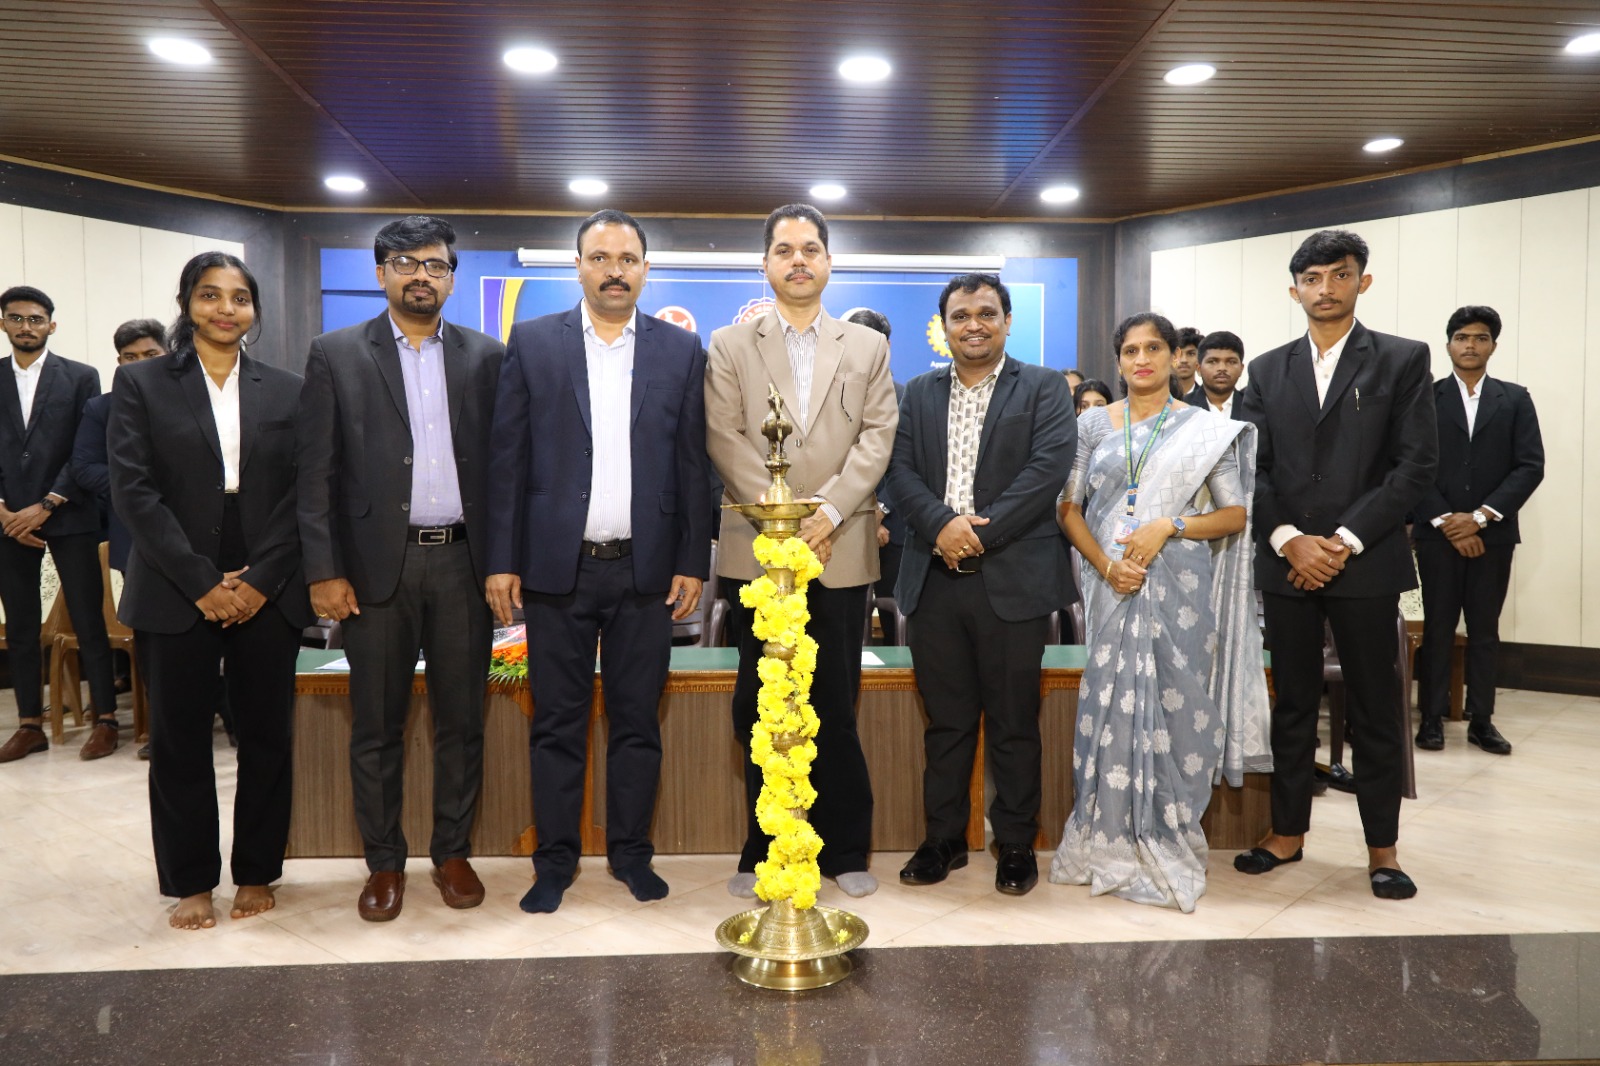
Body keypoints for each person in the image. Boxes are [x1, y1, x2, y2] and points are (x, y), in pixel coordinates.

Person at [486, 210, 709, 913]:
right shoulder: (532, 342)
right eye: (601, 257)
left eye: (628, 258)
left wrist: (692, 559)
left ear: (645, 269)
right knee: (557, 723)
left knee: (637, 723)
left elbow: (693, 463)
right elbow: (506, 459)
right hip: (557, 570)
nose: (615, 270)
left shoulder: (681, 350)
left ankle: (631, 855)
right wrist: (501, 560)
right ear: (578, 265)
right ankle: (554, 863)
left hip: (647, 573)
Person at [297, 216, 505, 921]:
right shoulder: (336, 354)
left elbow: (506, 470)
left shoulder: (487, 356)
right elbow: (315, 474)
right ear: (381, 272)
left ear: (452, 277)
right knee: (377, 726)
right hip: (373, 571)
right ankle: (384, 862)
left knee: (461, 723)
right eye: (407, 263)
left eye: (436, 265)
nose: (422, 275)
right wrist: (323, 570)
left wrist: (502, 563)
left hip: (463, 566)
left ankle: (452, 852)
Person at [108, 252, 311, 930]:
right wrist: (201, 582)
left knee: (266, 737)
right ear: (187, 303)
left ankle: (256, 870)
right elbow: (134, 492)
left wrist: (258, 581)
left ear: (254, 309)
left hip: (267, 580)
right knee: (179, 740)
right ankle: (191, 880)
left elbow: (303, 494)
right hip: (174, 579)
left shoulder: (288, 388)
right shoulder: (140, 382)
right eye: (210, 295)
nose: (226, 309)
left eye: (239, 297)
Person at [1234, 229, 1437, 901]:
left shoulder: (1402, 359)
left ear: (1362, 282)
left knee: (1375, 708)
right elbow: (1250, 469)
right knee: (1293, 703)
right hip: (1287, 563)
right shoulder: (1267, 369)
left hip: (1366, 561)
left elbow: (1415, 465)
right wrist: (1289, 538)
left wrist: (1343, 540)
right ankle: (1286, 833)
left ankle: (1383, 849)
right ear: (1294, 290)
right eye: (1313, 278)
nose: (1326, 288)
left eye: (1340, 275)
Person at [705, 203, 898, 899]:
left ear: (828, 262)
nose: (798, 260)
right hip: (761, 549)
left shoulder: (865, 347)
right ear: (765, 263)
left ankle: (845, 848)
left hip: (840, 544)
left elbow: (878, 435)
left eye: (810, 248)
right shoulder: (731, 344)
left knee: (835, 701)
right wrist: (784, 517)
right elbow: (724, 435)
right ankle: (763, 848)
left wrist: (832, 510)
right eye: (784, 249)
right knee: (759, 702)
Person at [1048, 312, 1266, 911]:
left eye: (1153, 349)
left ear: (1175, 357)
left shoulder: (1204, 430)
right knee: (1108, 707)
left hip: (1178, 588)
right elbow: (1068, 508)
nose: (1141, 360)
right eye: (1130, 350)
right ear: (1118, 360)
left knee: (1176, 710)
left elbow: (1235, 515)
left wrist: (1168, 525)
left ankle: (1166, 831)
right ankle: (1106, 836)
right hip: (1110, 586)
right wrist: (1105, 565)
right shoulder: (1092, 424)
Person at [887, 274, 1076, 896]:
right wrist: (941, 526)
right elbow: (899, 470)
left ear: (1007, 321)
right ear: (943, 325)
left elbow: (1047, 470)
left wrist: (974, 534)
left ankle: (1015, 842)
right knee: (946, 722)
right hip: (934, 578)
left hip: (1013, 578)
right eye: (961, 315)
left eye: (987, 313)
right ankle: (943, 839)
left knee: (1014, 720)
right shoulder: (917, 392)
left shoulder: (1043, 387)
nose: (974, 325)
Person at [1413, 306, 1543, 755]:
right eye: (1462, 337)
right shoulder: (1424, 398)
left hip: (1493, 536)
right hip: (1437, 534)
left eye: (1481, 338)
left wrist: (1481, 518)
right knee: (1438, 628)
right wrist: (1447, 521)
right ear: (1448, 344)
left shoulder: (1515, 399)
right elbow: (1410, 465)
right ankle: (1431, 718)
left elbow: (1530, 466)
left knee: (1485, 630)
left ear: (1493, 346)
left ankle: (1482, 720)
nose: (1471, 345)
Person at [0, 286, 120, 762]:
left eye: (35, 319)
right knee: (21, 625)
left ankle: (106, 719)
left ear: (51, 324)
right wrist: (4, 510)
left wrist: (47, 504)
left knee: (89, 620)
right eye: (16, 318)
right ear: (3, 324)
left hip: (70, 512)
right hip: (8, 521)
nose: (26, 326)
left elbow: (86, 448)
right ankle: (30, 724)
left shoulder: (81, 376)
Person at [72, 318, 167, 759]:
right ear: (118, 363)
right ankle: (160, 730)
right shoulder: (102, 408)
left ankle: (228, 717)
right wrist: (136, 488)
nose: (140, 364)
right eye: (130, 358)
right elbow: (84, 467)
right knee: (154, 640)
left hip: (201, 535)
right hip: (137, 539)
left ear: (167, 353)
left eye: (150, 355)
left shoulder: (195, 396)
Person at [845, 309, 904, 633]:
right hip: (839, 524)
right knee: (841, 626)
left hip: (895, 530)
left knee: (897, 622)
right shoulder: (828, 399)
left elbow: (906, 464)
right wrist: (861, 511)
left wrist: (879, 509)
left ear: (887, 346)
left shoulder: (907, 397)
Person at [1187, 331, 1246, 418]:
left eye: (1231, 362)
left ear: (1241, 369)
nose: (1222, 368)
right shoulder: (1182, 406)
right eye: (1212, 361)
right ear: (1198, 369)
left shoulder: (1253, 406)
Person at [1173, 325, 1205, 402]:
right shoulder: (1156, 397)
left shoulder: (1208, 399)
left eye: (1191, 354)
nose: (1184, 360)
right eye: (1178, 354)